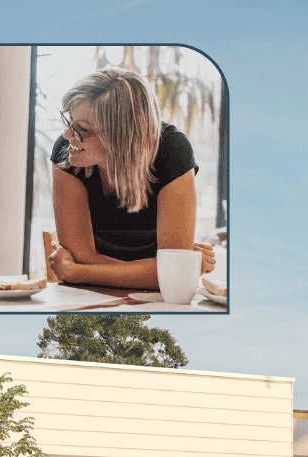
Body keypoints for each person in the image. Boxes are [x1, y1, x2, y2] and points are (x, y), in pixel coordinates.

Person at [47, 68, 215, 290]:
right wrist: (161, 271)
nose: (68, 135)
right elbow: (173, 272)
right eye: (69, 121)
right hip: (89, 291)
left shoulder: (172, 150)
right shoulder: (68, 152)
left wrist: (76, 272)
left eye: (82, 129)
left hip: (149, 298)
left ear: (122, 137)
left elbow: (174, 273)